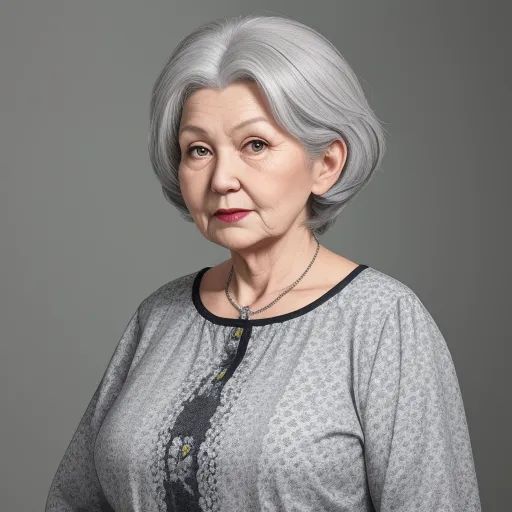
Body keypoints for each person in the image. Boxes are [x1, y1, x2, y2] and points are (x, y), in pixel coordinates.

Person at [45, 12, 482, 512]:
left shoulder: (382, 322)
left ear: (326, 163)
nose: (222, 178)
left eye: (255, 144)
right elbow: (73, 500)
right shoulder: (158, 317)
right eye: (199, 150)